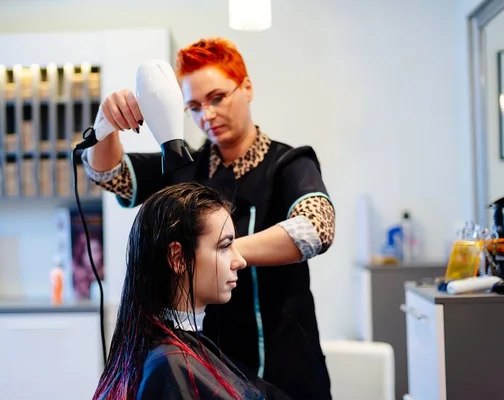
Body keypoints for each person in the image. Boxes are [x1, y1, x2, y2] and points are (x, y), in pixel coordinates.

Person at [83, 37, 336, 399]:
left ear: (246, 88)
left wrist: (217, 250)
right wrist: (106, 122)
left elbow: (317, 227)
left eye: (217, 98)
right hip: (211, 370)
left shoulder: (289, 164)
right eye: (194, 107)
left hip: (286, 367)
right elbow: (109, 176)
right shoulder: (187, 167)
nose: (207, 116)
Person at [92, 182, 290, 399]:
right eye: (224, 246)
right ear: (178, 258)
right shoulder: (169, 365)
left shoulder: (180, 352)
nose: (240, 260)